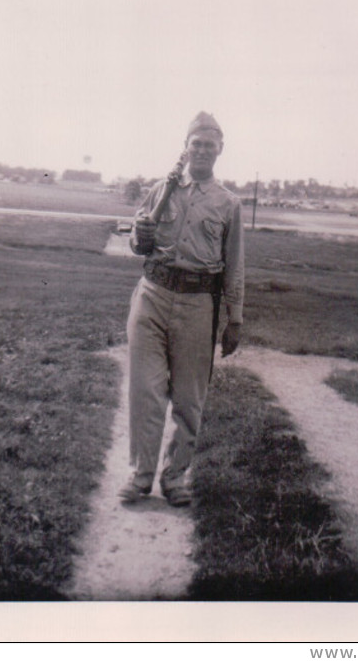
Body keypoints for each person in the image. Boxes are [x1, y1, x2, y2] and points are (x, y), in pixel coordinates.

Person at [119, 112, 244, 507]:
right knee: (146, 391)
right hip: (152, 295)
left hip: (197, 304)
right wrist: (139, 237)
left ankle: (175, 478)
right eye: (196, 144)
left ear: (220, 150)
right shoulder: (162, 190)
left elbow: (235, 265)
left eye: (210, 145)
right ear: (186, 148)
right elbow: (138, 247)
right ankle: (140, 477)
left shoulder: (229, 204)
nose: (202, 151)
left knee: (189, 398)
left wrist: (234, 318)